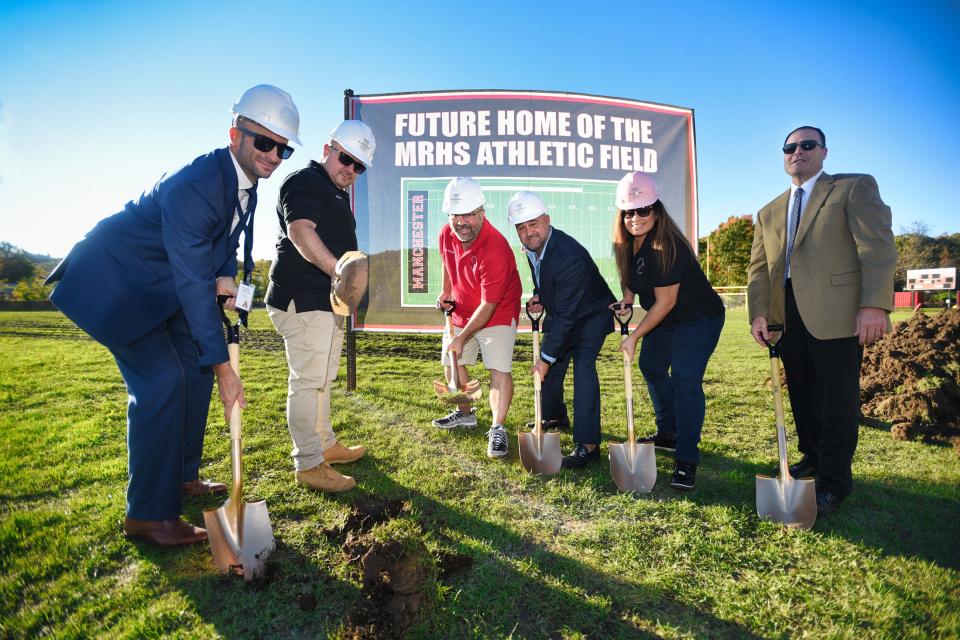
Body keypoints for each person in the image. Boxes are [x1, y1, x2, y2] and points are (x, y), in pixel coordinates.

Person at [45, 85, 301, 546]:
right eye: (264, 142)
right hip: (119, 287)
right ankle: (148, 515)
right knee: (163, 381)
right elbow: (188, 281)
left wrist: (228, 282)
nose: (274, 155)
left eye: (283, 148)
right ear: (235, 134)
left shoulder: (245, 186)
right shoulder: (196, 185)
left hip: (165, 290)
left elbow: (223, 248)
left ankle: (181, 476)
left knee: (194, 371)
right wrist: (226, 367)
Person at [747, 125, 896, 515]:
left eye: (807, 144)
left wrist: (874, 305)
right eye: (790, 147)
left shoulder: (852, 187)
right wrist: (759, 313)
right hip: (787, 314)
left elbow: (877, 248)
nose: (798, 151)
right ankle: (812, 457)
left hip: (839, 311)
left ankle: (833, 482)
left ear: (824, 151)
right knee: (803, 396)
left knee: (837, 401)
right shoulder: (768, 211)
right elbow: (759, 270)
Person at [265, 120, 376, 493]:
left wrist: (340, 287)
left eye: (359, 165)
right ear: (329, 148)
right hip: (302, 297)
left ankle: (325, 445)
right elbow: (300, 231)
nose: (351, 169)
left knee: (322, 380)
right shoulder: (304, 181)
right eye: (347, 158)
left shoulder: (335, 192)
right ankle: (308, 463)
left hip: (325, 302)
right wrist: (338, 272)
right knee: (308, 381)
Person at [612, 172, 725, 491]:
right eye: (629, 212)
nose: (635, 217)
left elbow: (665, 302)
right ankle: (668, 432)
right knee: (651, 366)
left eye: (643, 209)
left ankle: (686, 457)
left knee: (686, 380)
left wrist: (633, 336)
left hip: (698, 317)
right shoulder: (625, 244)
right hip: (667, 318)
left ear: (656, 210)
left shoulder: (667, 245)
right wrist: (628, 298)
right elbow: (629, 276)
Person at [508, 191, 615, 469]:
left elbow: (567, 316)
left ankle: (588, 444)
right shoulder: (535, 246)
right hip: (566, 312)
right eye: (521, 227)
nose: (528, 232)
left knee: (581, 368)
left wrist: (545, 359)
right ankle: (554, 415)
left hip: (590, 317)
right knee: (552, 366)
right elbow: (547, 280)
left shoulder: (568, 255)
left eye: (533, 224)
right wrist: (539, 294)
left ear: (547, 219)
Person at [432, 177, 523, 459]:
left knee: (498, 368)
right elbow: (448, 263)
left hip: (497, 311)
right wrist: (447, 291)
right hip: (462, 308)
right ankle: (465, 413)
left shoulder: (496, 247)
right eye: (456, 215)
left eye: (469, 214)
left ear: (482, 213)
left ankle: (497, 427)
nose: (462, 222)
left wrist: (461, 337)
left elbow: (489, 304)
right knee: (451, 362)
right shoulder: (446, 233)